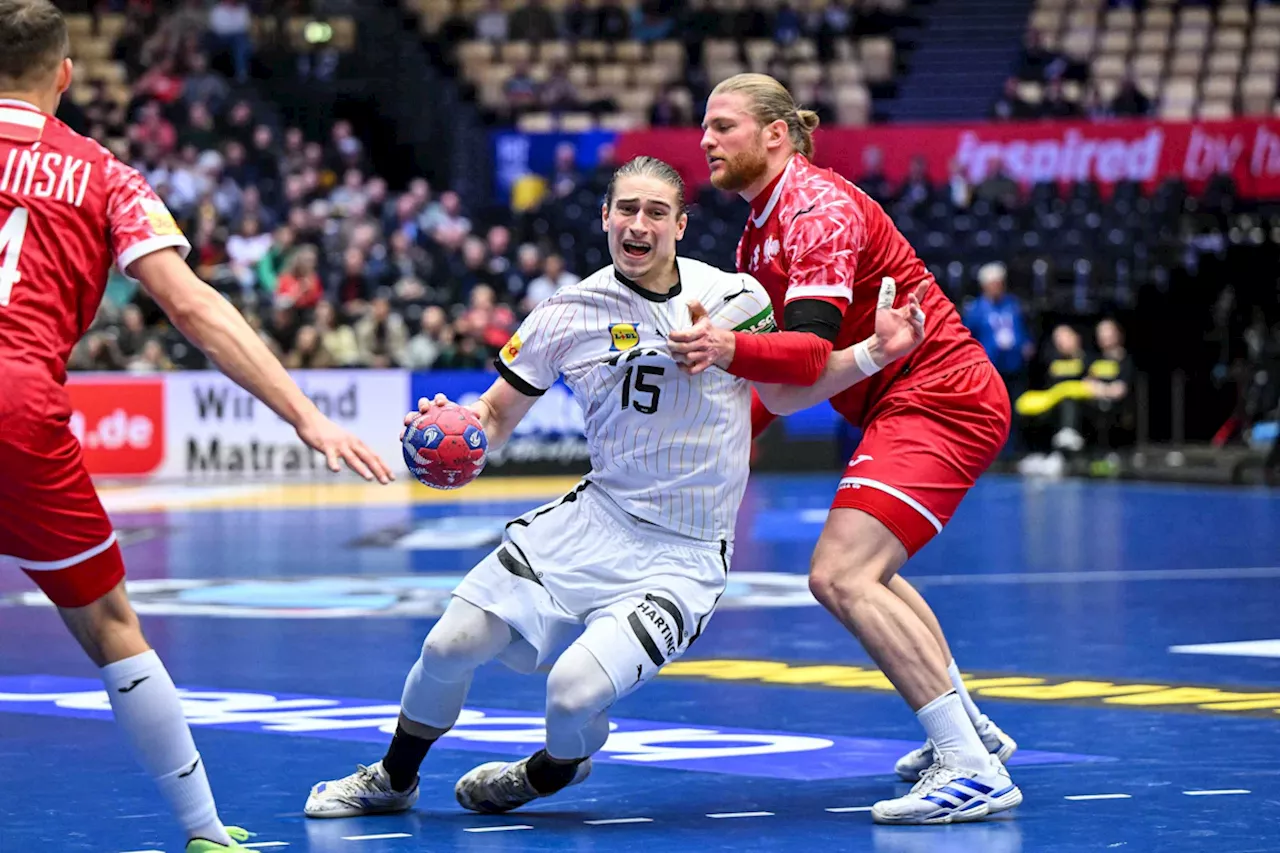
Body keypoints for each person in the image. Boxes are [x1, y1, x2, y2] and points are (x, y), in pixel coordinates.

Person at [303, 156, 927, 819]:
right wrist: (454, 431)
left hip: (684, 556)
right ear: (605, 217)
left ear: (681, 226)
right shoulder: (567, 313)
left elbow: (783, 390)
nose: (639, 223)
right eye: (626, 208)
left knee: (571, 695)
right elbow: (493, 416)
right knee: (447, 643)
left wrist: (872, 355)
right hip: (595, 520)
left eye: (657, 212)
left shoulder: (735, 298)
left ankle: (552, 769)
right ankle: (393, 778)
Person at [0, 3, 394, 850]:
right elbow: (193, 308)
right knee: (110, 626)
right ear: (65, 74)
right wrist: (306, 415)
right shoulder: (103, 174)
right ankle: (205, 831)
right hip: (17, 408)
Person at [670, 73, 1021, 824]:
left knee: (840, 574)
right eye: (704, 127)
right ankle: (970, 728)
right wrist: (709, 450)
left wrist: (722, 345)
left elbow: (802, 356)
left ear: (775, 134)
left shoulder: (818, 207)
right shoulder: (758, 229)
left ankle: (969, 766)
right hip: (901, 400)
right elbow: (773, 383)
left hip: (940, 395)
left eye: (723, 125)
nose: (706, 140)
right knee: (873, 574)